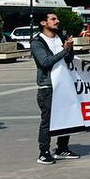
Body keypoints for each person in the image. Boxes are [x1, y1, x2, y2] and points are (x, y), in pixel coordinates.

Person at [32, 11, 77, 164]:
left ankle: (62, 148)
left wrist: (69, 49)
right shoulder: (37, 42)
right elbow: (45, 62)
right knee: (48, 120)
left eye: (57, 19)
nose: (57, 21)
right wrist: (64, 50)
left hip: (64, 84)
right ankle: (43, 152)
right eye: (53, 19)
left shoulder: (61, 38)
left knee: (67, 118)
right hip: (48, 87)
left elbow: (69, 59)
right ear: (43, 23)